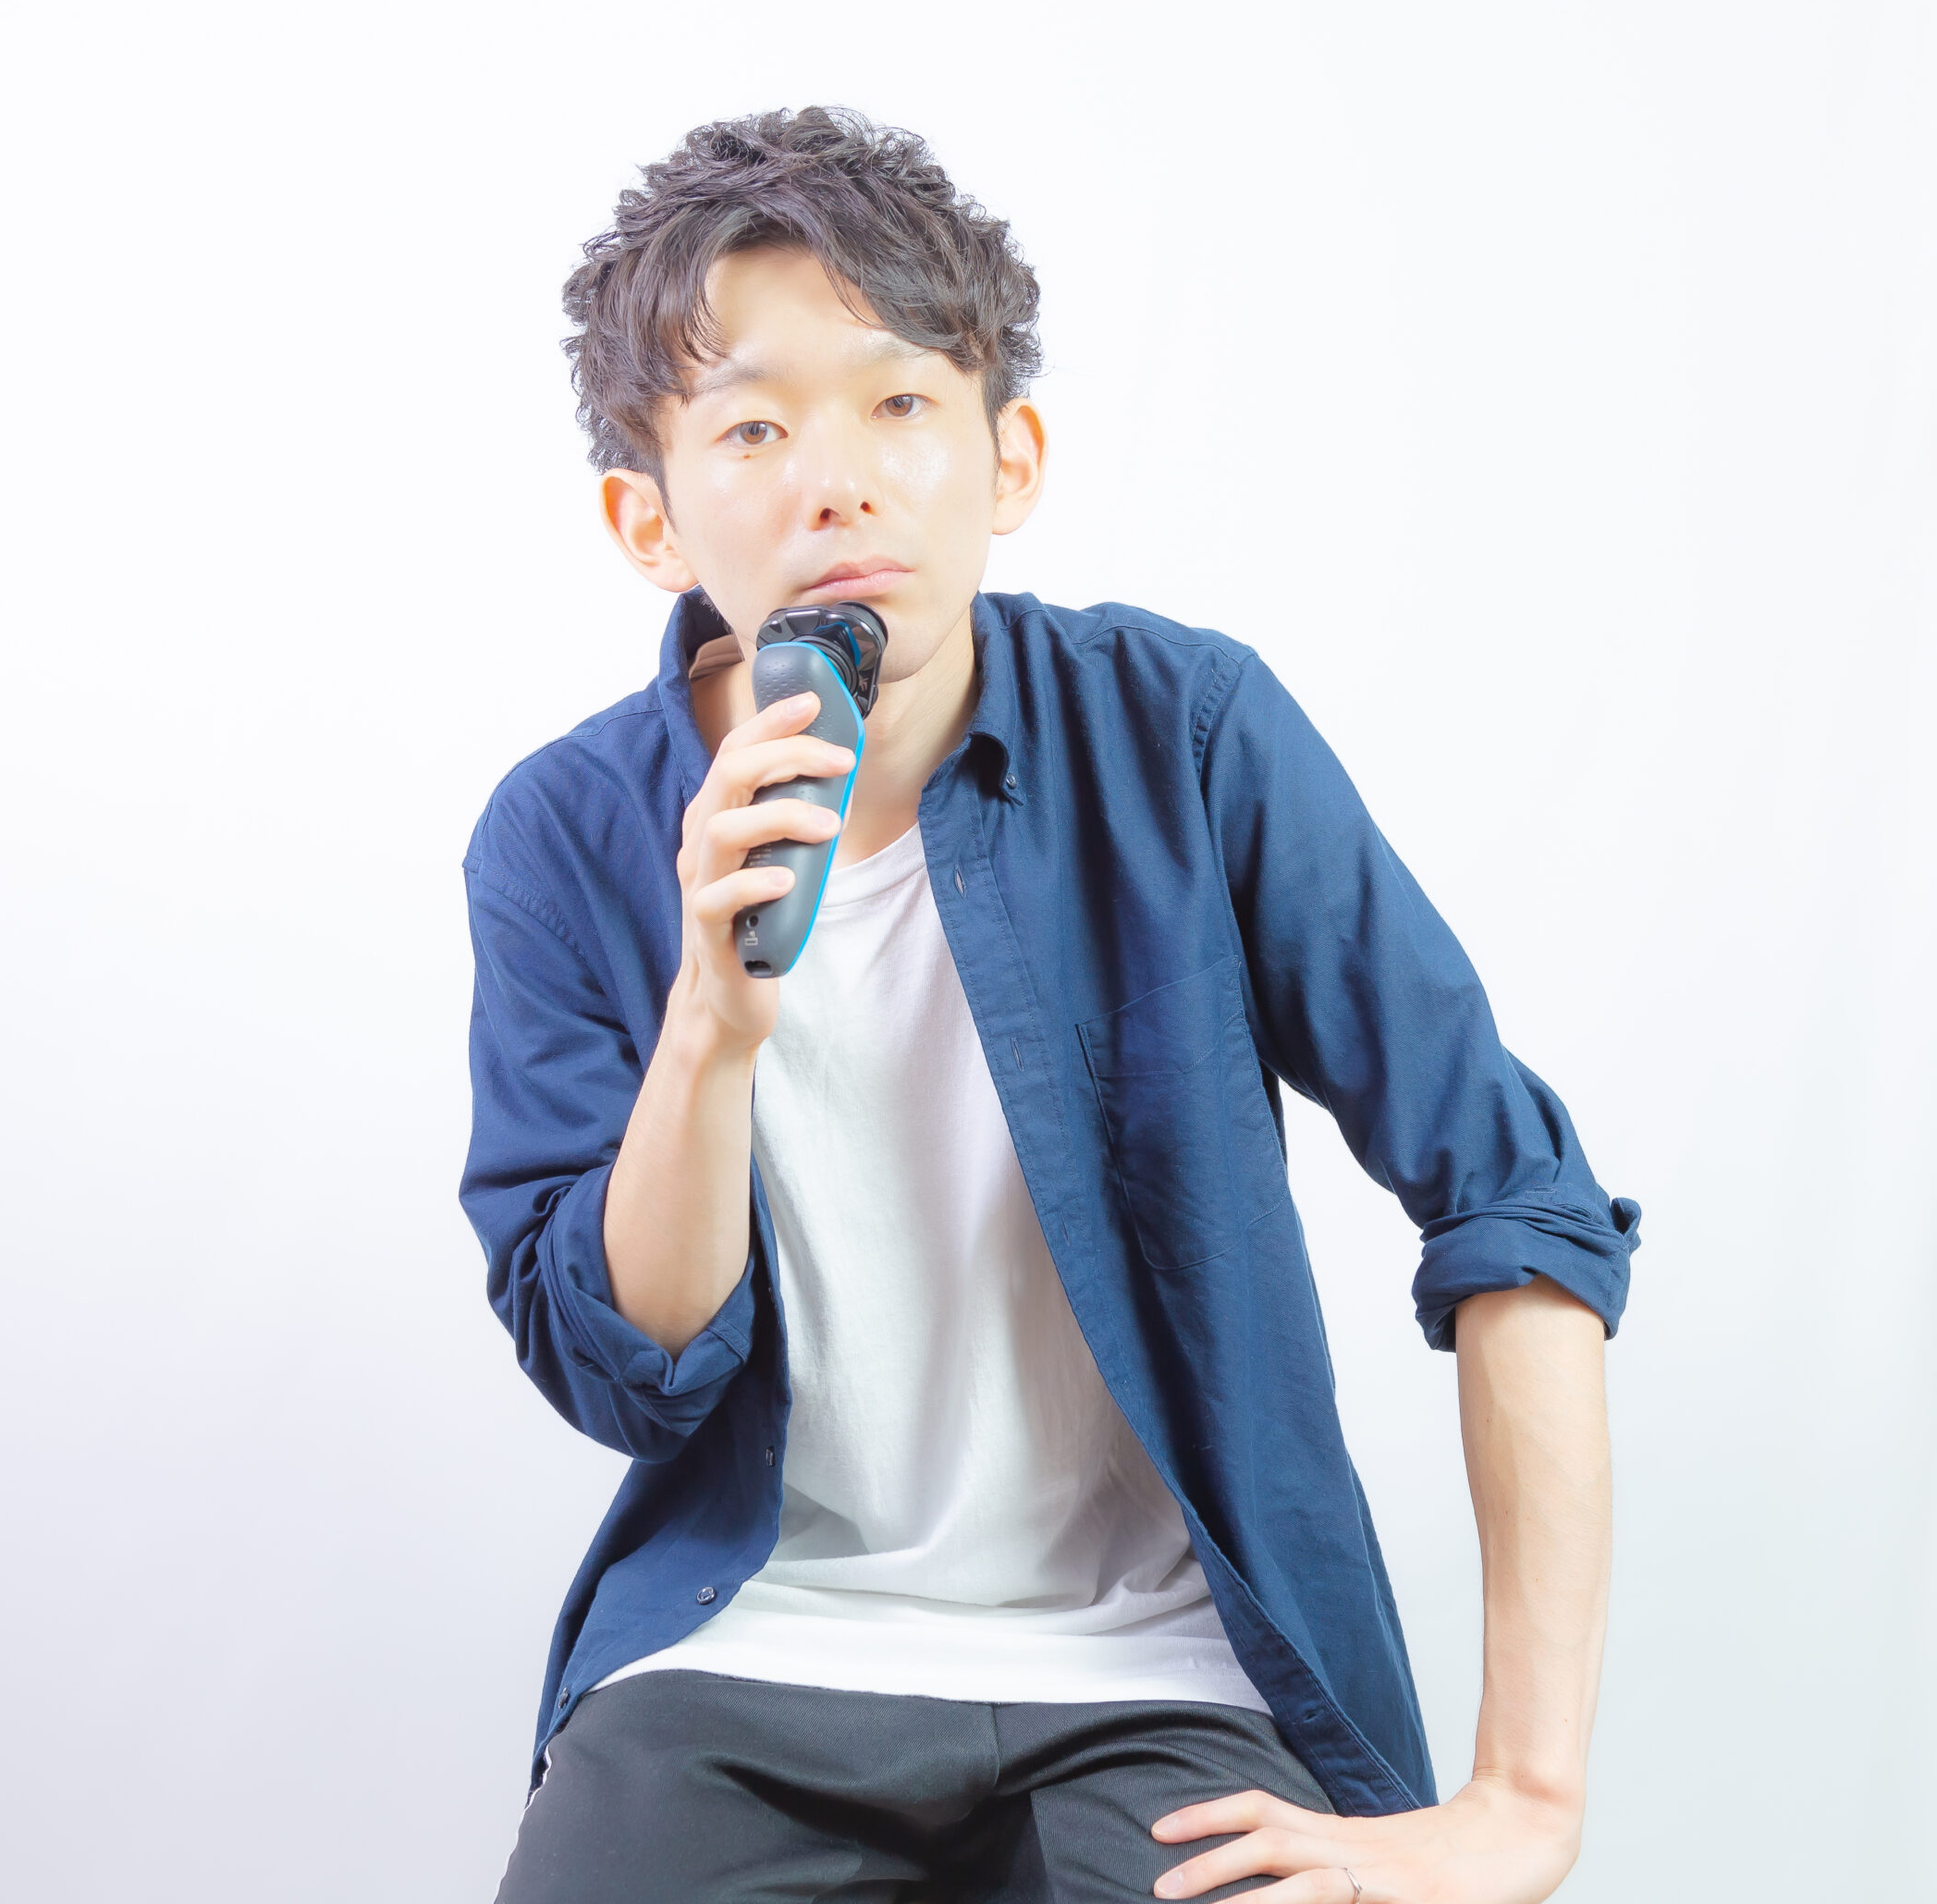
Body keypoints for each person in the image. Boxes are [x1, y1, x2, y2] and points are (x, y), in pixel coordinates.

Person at [458, 107, 1638, 1904]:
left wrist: (1524, 1796)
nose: (836, 482)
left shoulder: (1185, 734)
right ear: (648, 514)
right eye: (753, 427)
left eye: (898, 402)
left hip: (1163, 1672)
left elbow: (1513, 1201)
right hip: (751, 1647)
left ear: (1007, 456)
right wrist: (712, 1020)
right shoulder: (563, 832)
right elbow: (625, 1370)